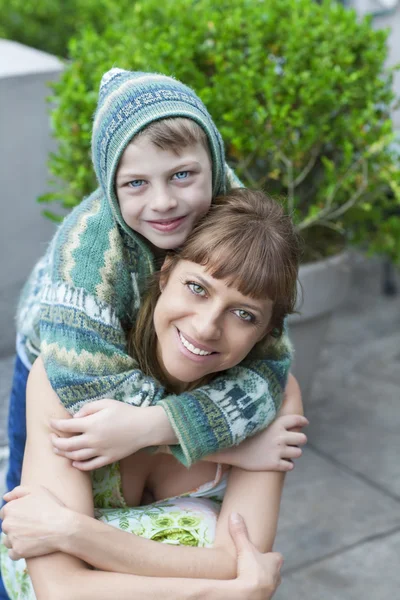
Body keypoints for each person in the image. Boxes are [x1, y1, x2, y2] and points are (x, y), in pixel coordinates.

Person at [1, 189, 306, 599]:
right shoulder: (70, 375)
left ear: (267, 331)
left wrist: (71, 531)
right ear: (165, 274)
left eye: (243, 314)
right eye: (197, 288)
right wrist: (222, 590)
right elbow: (61, 590)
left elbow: (241, 561)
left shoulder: (270, 400)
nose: (205, 327)